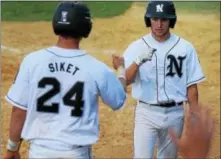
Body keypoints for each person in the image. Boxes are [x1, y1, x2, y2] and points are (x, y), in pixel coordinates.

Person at [3, 2, 127, 159]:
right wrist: (121, 70)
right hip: (76, 153)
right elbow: (118, 99)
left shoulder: (31, 61)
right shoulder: (96, 68)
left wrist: (12, 148)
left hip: (40, 152)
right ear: (86, 28)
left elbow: (19, 110)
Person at [112, 1, 206, 158]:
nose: (159, 24)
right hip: (146, 114)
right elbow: (125, 81)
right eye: (155, 19)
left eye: (164, 20)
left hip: (175, 114)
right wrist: (137, 62)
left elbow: (191, 87)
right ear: (148, 20)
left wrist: (195, 117)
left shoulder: (185, 48)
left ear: (171, 21)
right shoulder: (137, 47)